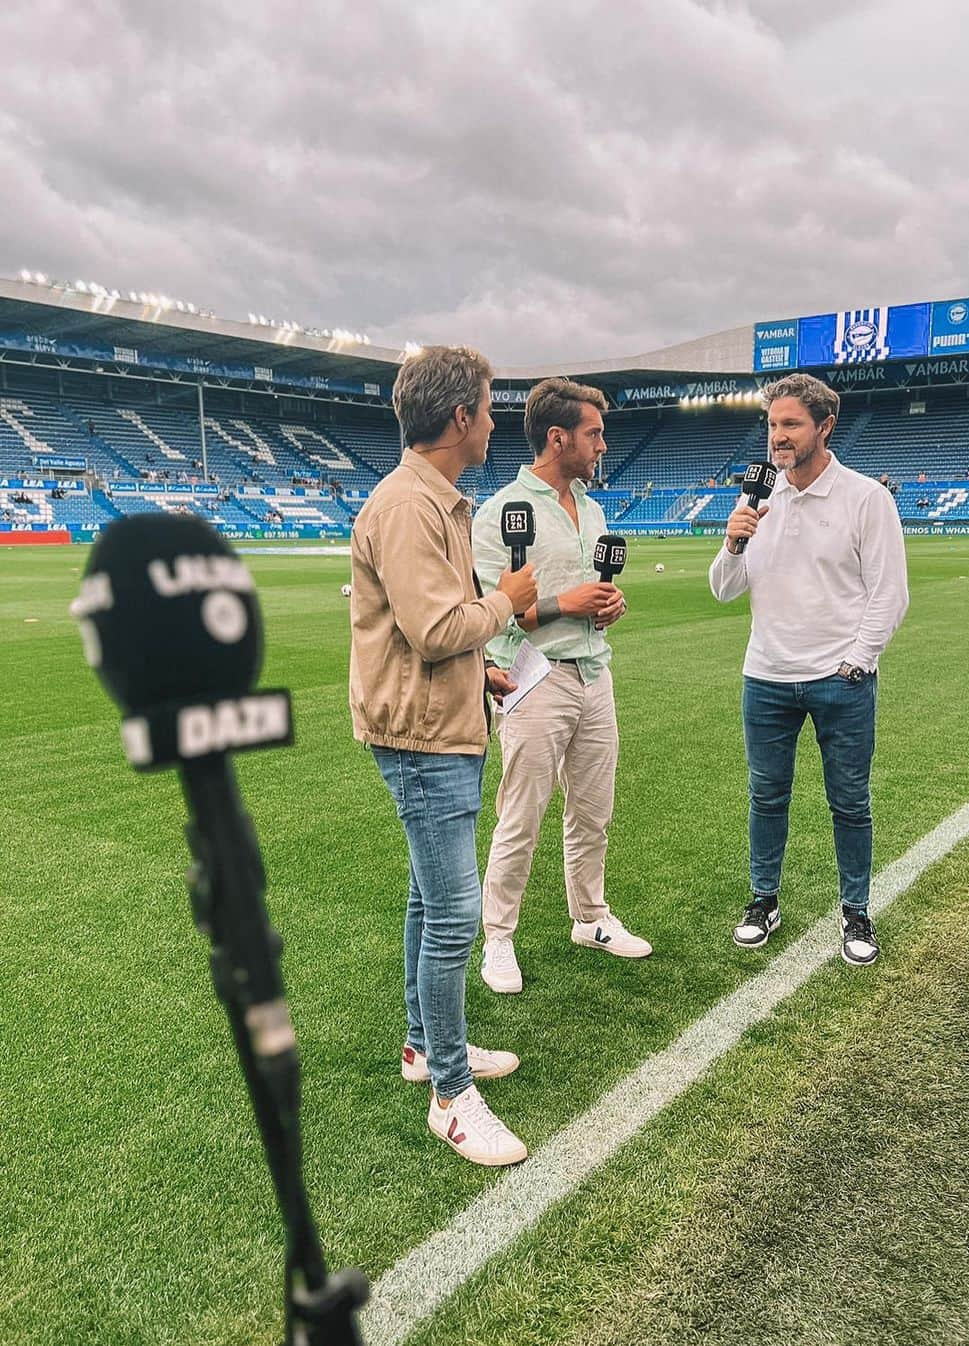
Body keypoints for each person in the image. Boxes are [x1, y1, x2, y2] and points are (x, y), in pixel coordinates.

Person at [349, 345, 537, 1166]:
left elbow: (425, 629)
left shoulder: (433, 502)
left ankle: (425, 1048)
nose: (494, 422)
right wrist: (508, 603)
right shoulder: (409, 506)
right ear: (460, 417)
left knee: (431, 902)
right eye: (490, 408)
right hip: (422, 739)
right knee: (455, 914)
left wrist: (482, 668)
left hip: (438, 722)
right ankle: (450, 1094)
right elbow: (433, 630)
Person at [709, 372, 908, 967]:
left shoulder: (866, 499)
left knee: (850, 802)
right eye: (772, 425)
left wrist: (855, 663)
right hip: (765, 676)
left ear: (825, 426)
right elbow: (722, 590)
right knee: (766, 796)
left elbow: (889, 594)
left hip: (839, 680)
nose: (778, 437)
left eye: (790, 424)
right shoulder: (757, 499)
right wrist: (734, 540)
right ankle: (764, 900)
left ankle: (855, 912)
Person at [472, 378, 651, 995]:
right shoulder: (499, 512)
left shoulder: (593, 508)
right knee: (521, 815)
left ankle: (591, 918)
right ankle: (498, 939)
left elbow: (588, 591)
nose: (604, 445)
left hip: (593, 671)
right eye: (594, 433)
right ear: (558, 438)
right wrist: (560, 603)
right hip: (531, 677)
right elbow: (495, 606)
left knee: (593, 811)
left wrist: (607, 603)